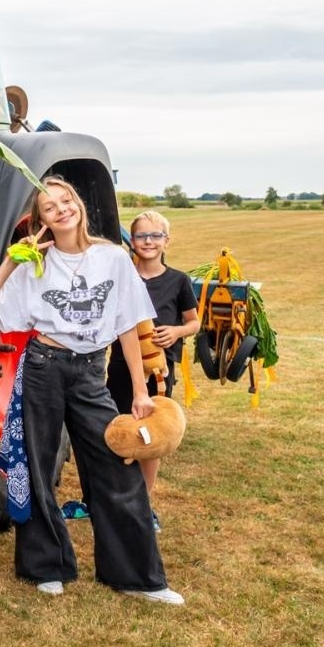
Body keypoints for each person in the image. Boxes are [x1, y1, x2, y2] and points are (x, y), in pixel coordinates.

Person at [0, 176, 184, 605]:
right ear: (42, 220)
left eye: (66, 201)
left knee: (116, 466)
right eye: (50, 208)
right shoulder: (34, 264)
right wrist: (12, 262)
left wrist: (140, 393)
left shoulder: (111, 258)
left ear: (79, 205)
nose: (62, 210)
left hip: (90, 371)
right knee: (36, 465)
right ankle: (45, 566)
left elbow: (127, 323)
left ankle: (138, 577)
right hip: (43, 369)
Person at [107, 210, 200, 529]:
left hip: (159, 372)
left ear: (166, 241)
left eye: (155, 235)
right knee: (120, 430)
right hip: (121, 367)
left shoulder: (178, 280)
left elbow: (194, 322)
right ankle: (116, 497)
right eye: (141, 236)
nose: (148, 241)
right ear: (131, 241)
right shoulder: (123, 278)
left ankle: (144, 504)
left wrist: (175, 332)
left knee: (151, 437)